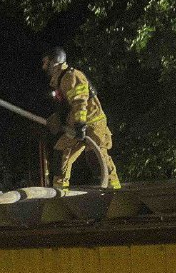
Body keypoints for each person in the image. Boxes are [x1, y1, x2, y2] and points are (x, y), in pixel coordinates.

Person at [42, 47, 121, 189]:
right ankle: (60, 192)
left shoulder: (71, 77)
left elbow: (80, 102)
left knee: (96, 158)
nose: (44, 66)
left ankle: (114, 190)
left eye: (46, 62)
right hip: (77, 126)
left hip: (92, 123)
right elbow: (67, 106)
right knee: (60, 154)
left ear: (55, 62)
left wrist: (79, 125)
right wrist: (58, 118)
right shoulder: (59, 81)